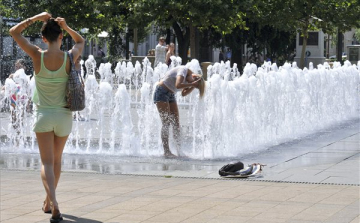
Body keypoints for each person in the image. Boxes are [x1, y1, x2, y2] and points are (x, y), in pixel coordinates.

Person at [10, 12, 84, 223]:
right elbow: (81, 40)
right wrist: (66, 25)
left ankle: (53, 202)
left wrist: (37, 18)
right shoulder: (70, 57)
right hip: (64, 116)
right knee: (57, 160)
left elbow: (14, 32)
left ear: (43, 38)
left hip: (42, 115)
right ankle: (48, 202)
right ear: (61, 36)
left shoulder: (37, 55)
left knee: (46, 163)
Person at [153, 65, 205, 158]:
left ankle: (179, 151)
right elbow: (178, 85)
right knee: (166, 122)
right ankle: (166, 151)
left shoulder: (189, 79)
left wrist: (193, 86)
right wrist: (192, 84)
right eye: (192, 82)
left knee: (176, 123)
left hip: (171, 94)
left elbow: (183, 93)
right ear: (193, 76)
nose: (189, 83)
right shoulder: (183, 70)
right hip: (161, 92)